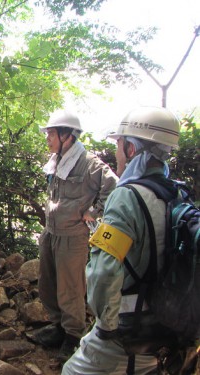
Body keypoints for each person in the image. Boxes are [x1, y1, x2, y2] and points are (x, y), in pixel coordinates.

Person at [62, 106, 183, 374]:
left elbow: (105, 270)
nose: (116, 151)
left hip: (130, 325)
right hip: (171, 319)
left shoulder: (127, 197)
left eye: (119, 143)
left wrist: (105, 325)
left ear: (131, 149)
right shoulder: (175, 193)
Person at [32, 110, 118, 362]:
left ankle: (73, 336)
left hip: (73, 236)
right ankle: (58, 326)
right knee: (48, 283)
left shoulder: (89, 163)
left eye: (51, 134)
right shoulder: (57, 159)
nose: (47, 139)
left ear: (66, 135)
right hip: (51, 232)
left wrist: (94, 211)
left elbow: (114, 187)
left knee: (71, 289)